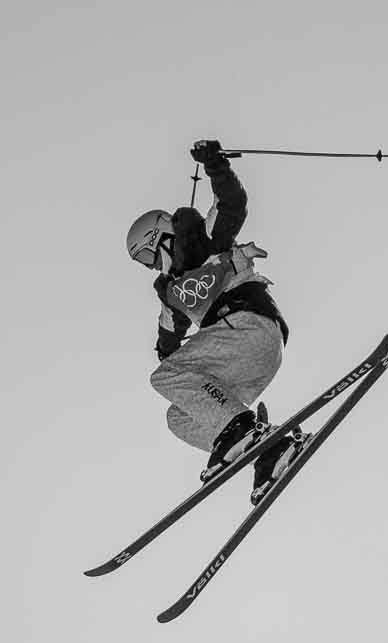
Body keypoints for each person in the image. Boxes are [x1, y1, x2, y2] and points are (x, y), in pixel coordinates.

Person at [126, 140, 297, 504]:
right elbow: (168, 335)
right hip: (247, 361)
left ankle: (241, 431)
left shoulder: (202, 240)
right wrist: (164, 346)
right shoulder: (171, 292)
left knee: (164, 377)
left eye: (147, 254)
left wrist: (216, 167)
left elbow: (231, 206)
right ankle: (268, 450)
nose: (151, 266)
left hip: (248, 324)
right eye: (142, 262)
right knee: (179, 418)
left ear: (161, 238)